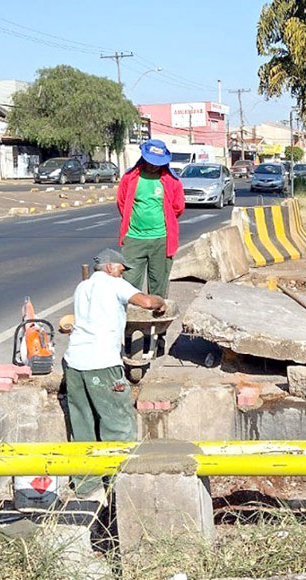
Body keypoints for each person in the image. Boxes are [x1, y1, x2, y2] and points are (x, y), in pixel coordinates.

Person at [62, 248, 167, 447]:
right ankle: (119, 475)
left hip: (74, 364)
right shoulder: (114, 283)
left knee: (83, 429)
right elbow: (146, 302)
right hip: (102, 363)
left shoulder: (82, 287)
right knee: (118, 426)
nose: (123, 273)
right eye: (121, 269)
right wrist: (160, 301)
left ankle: (86, 477)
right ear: (110, 267)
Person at [116, 138, 185, 297]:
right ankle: (130, 321)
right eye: (151, 161)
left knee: (158, 285)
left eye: (157, 163)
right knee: (129, 285)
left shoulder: (171, 181)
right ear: (144, 158)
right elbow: (122, 203)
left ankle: (156, 320)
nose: (154, 165)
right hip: (134, 239)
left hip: (161, 240)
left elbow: (178, 207)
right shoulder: (130, 177)